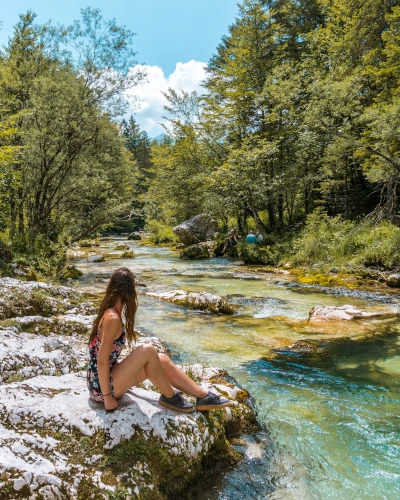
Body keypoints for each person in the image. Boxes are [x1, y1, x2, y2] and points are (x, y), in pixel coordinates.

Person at [87, 267, 231, 413]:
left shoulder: (110, 311)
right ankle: (170, 397)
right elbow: (102, 361)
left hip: (108, 377)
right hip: (101, 387)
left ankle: (203, 396)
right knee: (148, 350)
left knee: (161, 358)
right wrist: (107, 397)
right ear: (128, 292)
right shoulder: (112, 318)